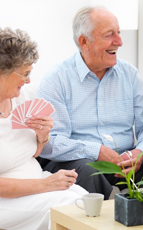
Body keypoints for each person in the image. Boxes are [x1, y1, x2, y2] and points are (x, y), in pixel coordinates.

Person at [37, 6, 143, 200]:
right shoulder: (56, 80)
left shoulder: (130, 75)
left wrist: (139, 152)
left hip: (125, 161)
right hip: (80, 161)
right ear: (84, 42)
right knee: (84, 169)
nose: (119, 42)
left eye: (118, 33)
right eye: (110, 35)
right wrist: (96, 151)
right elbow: (50, 142)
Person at [0, 27, 88, 230]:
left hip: (35, 182)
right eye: (25, 73)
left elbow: (31, 153)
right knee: (69, 208)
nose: (29, 80)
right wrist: (45, 186)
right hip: (7, 199)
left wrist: (42, 136)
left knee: (84, 198)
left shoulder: (22, 97)